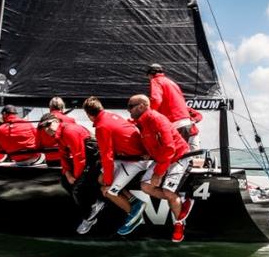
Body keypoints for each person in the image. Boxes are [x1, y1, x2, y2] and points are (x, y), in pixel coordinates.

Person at [127, 95, 194, 242]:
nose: (128, 110)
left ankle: (179, 223)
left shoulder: (157, 119)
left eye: (130, 106)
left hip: (178, 157)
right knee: (145, 186)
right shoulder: (141, 122)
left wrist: (158, 173)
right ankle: (181, 202)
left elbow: (169, 149)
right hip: (162, 159)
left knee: (168, 191)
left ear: (142, 106)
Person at [83, 96, 151, 236]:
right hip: (127, 157)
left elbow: (107, 157)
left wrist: (109, 183)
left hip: (135, 161)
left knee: (108, 191)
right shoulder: (110, 115)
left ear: (89, 115)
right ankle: (134, 201)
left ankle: (134, 215)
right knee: (101, 180)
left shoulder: (101, 126)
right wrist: (106, 180)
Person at [39, 114, 105, 234]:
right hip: (87, 159)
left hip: (96, 158)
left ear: (56, 121)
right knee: (65, 181)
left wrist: (76, 177)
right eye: (43, 127)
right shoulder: (59, 135)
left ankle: (90, 214)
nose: (46, 129)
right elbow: (63, 156)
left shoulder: (69, 131)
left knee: (78, 188)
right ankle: (91, 206)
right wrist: (68, 173)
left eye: (48, 124)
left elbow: (79, 157)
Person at [147, 63, 196, 143]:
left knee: (171, 153)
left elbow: (156, 100)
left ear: (150, 75)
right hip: (185, 122)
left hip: (174, 122)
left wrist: (149, 115)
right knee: (182, 152)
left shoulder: (155, 80)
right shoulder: (171, 82)